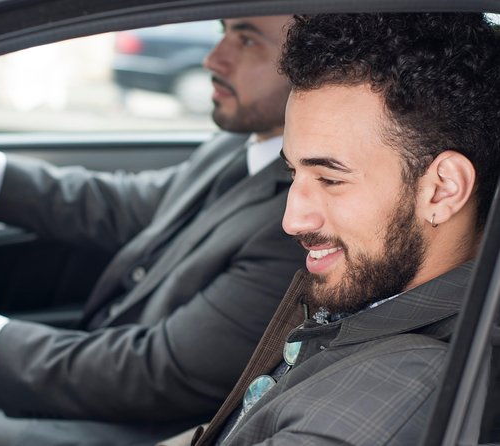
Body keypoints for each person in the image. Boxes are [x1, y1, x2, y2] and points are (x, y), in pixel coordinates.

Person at [0, 16, 304, 446]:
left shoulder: (293, 222)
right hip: (107, 376)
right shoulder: (241, 144)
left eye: (247, 40)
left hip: (146, 424)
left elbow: (157, 373)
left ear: (309, 67)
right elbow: (125, 205)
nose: (213, 58)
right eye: (223, 31)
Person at [170, 12, 500, 446]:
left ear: (442, 190)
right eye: (294, 173)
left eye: (329, 179)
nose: (292, 220)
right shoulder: (374, 300)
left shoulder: (404, 383)